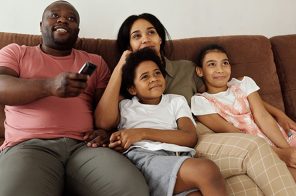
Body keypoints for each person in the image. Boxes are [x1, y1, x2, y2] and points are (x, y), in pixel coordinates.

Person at [90, 13, 296, 195]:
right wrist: (122, 65)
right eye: (136, 36)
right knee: (247, 165)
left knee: (248, 172)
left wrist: (279, 114)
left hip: (199, 131)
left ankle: (278, 158)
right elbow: (104, 121)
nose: (145, 39)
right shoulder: (129, 84)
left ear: (160, 38)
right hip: (162, 149)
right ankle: (277, 156)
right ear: (129, 46)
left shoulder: (186, 69)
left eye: (151, 32)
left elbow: (229, 89)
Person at [0, 1, 149, 196]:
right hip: (29, 146)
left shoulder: (95, 62)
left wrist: (105, 131)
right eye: (54, 15)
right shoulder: (16, 52)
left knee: (132, 189)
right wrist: (50, 86)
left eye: (71, 19)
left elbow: (106, 109)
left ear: (77, 32)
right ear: (40, 25)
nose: (62, 19)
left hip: (85, 147)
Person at [109, 47, 227, 196]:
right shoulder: (125, 106)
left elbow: (190, 137)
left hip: (178, 156)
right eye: (145, 77)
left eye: (157, 73)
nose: (153, 78)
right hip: (144, 157)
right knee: (206, 170)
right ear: (132, 89)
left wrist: (142, 133)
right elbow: (102, 122)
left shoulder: (176, 101)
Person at [191, 44, 296, 180]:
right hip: (257, 151)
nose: (220, 69)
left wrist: (288, 150)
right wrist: (281, 154)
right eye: (212, 64)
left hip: (280, 137)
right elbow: (235, 135)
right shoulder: (201, 102)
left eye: (225, 63)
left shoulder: (243, 83)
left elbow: (263, 117)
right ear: (200, 71)